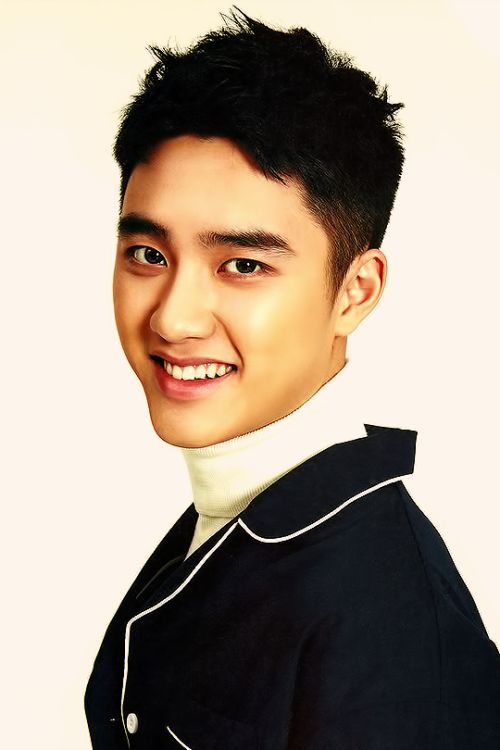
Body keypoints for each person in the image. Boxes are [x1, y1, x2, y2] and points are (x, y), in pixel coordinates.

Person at [84, 6, 500, 748]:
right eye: (148, 255)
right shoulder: (236, 511)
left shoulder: (388, 634)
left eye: (243, 264)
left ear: (355, 292)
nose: (174, 317)